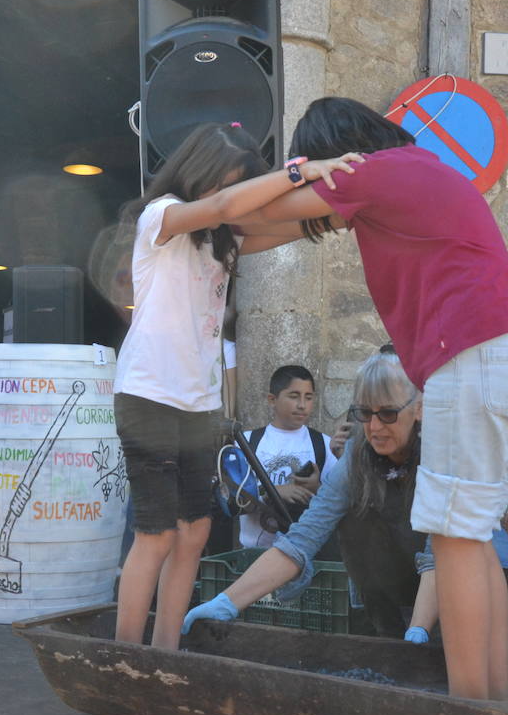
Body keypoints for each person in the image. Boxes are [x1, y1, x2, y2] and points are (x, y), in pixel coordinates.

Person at [224, 98, 508, 700]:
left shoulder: (373, 171)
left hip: (473, 353)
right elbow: (282, 230)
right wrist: (221, 240)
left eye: (317, 161)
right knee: (473, 538)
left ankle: (469, 712)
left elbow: (258, 214)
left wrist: (200, 213)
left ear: (335, 150)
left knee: (452, 541)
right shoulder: (419, 173)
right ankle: (494, 703)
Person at [111, 121, 361, 650]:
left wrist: (343, 212)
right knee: (155, 535)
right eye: (226, 182)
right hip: (148, 395)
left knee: (195, 533)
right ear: (199, 171)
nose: (233, 197)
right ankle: (126, 655)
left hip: (198, 404)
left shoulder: (223, 241)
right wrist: (297, 171)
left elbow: (289, 225)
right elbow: (226, 205)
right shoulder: (160, 219)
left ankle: (167, 651)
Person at [186, 349, 508, 640]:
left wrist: (417, 631)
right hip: (412, 573)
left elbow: (438, 556)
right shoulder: (357, 457)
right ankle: (389, 634)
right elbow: (303, 538)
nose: (374, 427)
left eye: (387, 414)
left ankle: (424, 637)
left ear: (417, 409)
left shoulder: (443, 454)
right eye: (364, 414)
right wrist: (227, 602)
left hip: (491, 583)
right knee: (352, 520)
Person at [236, 365, 338, 550]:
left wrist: (318, 488)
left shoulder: (324, 445)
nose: (302, 405)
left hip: (307, 555)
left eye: (308, 397)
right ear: (272, 399)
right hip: (254, 554)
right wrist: (272, 492)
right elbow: (231, 501)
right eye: (293, 396)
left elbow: (338, 503)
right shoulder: (246, 443)